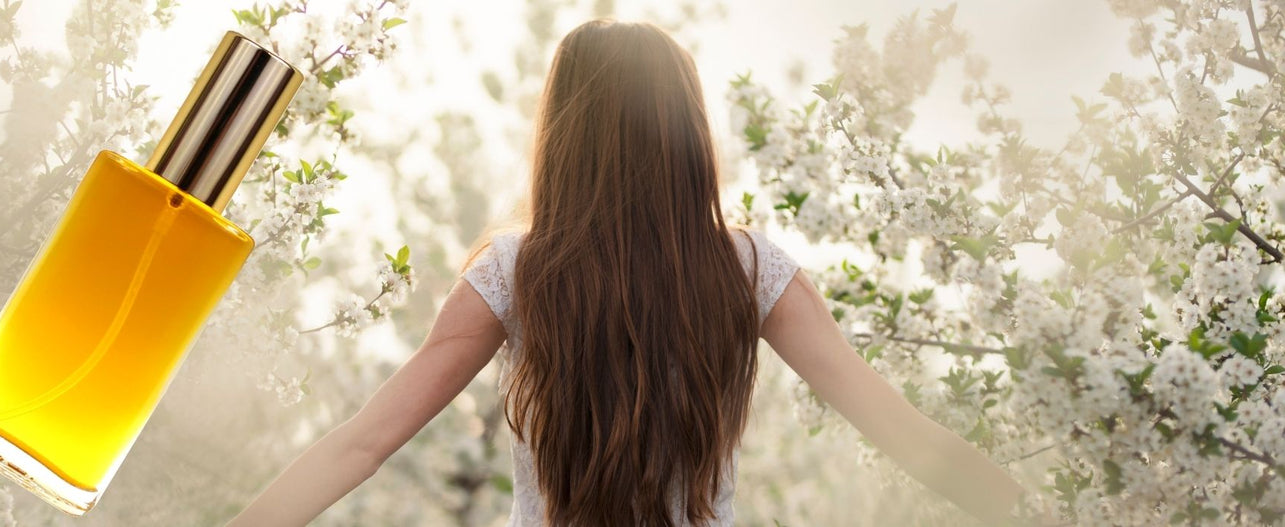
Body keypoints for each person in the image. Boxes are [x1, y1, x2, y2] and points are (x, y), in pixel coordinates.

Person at [229, 18, 1050, 527]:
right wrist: (1044, 512)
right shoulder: (750, 269)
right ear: (686, 129)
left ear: (565, 132)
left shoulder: (516, 271)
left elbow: (362, 444)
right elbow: (902, 431)